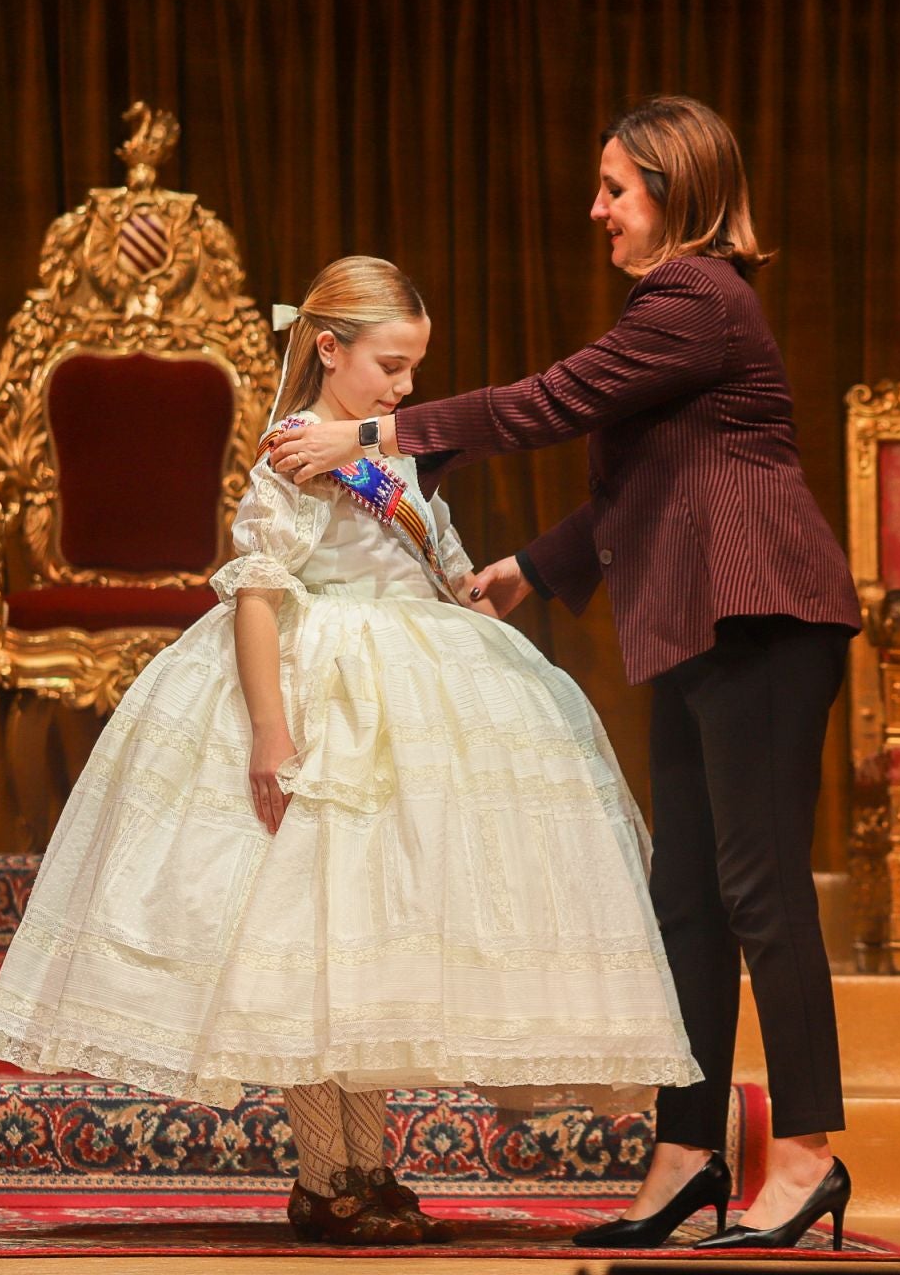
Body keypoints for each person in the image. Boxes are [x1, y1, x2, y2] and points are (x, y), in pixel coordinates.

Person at [0, 255, 700, 1247]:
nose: (406, 388)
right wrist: (272, 730)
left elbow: (429, 550)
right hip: (324, 691)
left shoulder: (388, 448)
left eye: (414, 368)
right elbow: (260, 591)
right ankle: (327, 1168)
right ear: (330, 348)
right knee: (304, 935)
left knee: (374, 928)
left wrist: (476, 585)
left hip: (411, 684)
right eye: (391, 365)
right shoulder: (296, 450)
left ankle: (369, 1163)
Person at [270, 98, 863, 1252]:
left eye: (615, 187)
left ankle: (805, 1155)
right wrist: (529, 572)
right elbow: (638, 486)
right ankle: (688, 1155)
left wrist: (375, 437)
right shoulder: (680, 310)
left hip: (763, 620)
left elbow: (547, 402)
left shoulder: (697, 296)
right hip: (698, 622)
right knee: (685, 901)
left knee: (761, 893)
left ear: (674, 191)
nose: (597, 208)